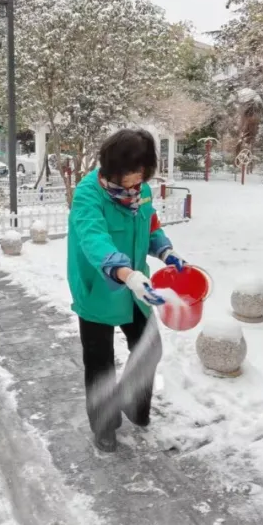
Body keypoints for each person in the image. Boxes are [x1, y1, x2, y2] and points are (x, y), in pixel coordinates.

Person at [67, 129, 187, 452]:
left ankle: (133, 403)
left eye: (142, 173)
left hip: (137, 285)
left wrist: (165, 251)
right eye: (130, 174)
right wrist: (125, 273)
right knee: (100, 361)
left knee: (150, 349)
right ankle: (104, 424)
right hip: (99, 286)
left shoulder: (141, 191)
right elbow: (94, 239)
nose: (136, 182)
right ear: (112, 168)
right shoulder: (88, 195)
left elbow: (150, 225)